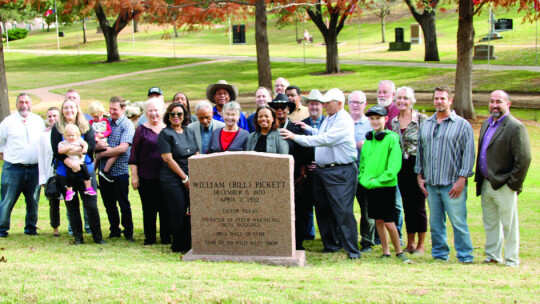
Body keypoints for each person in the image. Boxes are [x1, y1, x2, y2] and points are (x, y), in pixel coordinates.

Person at [280, 88, 361, 259]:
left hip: (340, 171)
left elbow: (325, 139)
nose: (324, 106)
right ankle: (330, 245)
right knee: (322, 210)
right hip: (323, 171)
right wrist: (308, 128)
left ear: (339, 103)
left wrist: (296, 137)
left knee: (342, 211)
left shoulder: (344, 120)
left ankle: (352, 250)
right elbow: (322, 134)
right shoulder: (330, 118)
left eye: (327, 103)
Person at [415, 85, 475, 263]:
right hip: (432, 183)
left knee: (458, 221)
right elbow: (421, 151)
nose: (439, 101)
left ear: (450, 100)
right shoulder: (426, 124)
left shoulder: (462, 125)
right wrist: (419, 175)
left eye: (443, 98)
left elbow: (469, 153)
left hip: (452, 183)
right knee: (435, 223)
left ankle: (465, 255)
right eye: (436, 98)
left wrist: (462, 179)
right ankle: (440, 253)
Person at [475, 90, 532, 267]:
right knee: (490, 222)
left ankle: (511, 258)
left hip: (504, 184)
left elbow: (524, 158)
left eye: (498, 101)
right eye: (491, 101)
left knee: (509, 224)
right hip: (486, 182)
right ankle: (492, 255)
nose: (494, 105)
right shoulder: (486, 124)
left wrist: (512, 184)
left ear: (508, 104)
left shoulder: (515, 127)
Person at [359, 105, 410, 263]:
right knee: (377, 220)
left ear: (385, 119)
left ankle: (399, 251)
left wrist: (379, 180)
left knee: (389, 221)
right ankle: (385, 251)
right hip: (370, 187)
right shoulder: (368, 141)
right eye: (372, 119)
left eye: (378, 118)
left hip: (386, 186)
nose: (374, 121)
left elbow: (394, 166)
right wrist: (364, 179)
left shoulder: (391, 138)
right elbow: (363, 165)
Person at [51, 99, 105, 245]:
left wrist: (74, 154)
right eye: (66, 108)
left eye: (72, 107)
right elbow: (56, 151)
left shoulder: (86, 126)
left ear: (77, 109)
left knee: (91, 206)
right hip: (65, 173)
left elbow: (91, 146)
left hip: (85, 171)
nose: (69, 110)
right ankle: (78, 238)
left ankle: (98, 237)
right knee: (72, 207)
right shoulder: (57, 128)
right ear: (62, 110)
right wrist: (70, 163)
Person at [0, 93, 45, 237]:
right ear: (16, 104)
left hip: (34, 168)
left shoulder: (38, 121)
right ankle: (2, 229)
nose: (24, 105)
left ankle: (31, 228)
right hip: (13, 169)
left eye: (27, 102)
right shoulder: (8, 122)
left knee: (33, 200)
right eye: (21, 102)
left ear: (31, 104)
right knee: (7, 200)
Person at [129, 97, 171, 246]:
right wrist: (134, 176)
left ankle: (166, 238)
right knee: (149, 209)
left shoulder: (169, 128)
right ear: (146, 113)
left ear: (162, 111)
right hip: (146, 177)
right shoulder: (141, 130)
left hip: (167, 177)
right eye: (150, 111)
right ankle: (150, 238)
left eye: (156, 110)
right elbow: (133, 155)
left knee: (165, 208)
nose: (154, 114)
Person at [390, 87, 428, 255]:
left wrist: (423, 171)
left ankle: (421, 244)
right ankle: (410, 242)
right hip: (401, 166)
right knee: (407, 206)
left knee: (419, 206)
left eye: (405, 98)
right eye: (399, 98)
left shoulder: (422, 119)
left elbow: (427, 145)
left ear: (412, 100)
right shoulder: (394, 122)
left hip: (417, 164)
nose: (402, 101)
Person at [269, 93, 310, 250]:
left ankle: (297, 243)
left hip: (294, 177)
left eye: (283, 107)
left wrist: (301, 175)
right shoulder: (269, 129)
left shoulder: (296, 129)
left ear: (289, 109)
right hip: (273, 178)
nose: (280, 110)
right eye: (276, 107)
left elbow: (305, 154)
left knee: (297, 212)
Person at [158, 103, 199, 252]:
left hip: (190, 176)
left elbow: (196, 153)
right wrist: (184, 178)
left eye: (179, 114)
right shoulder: (165, 134)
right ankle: (179, 245)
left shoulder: (189, 131)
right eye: (172, 114)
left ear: (184, 116)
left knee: (193, 210)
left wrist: (195, 176)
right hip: (173, 179)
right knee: (179, 210)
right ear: (168, 116)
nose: (176, 117)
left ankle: (191, 242)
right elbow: (168, 159)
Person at [96, 96, 136, 242]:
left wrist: (102, 154)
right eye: (110, 109)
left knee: (123, 203)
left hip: (119, 171)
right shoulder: (106, 123)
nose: (111, 112)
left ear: (123, 109)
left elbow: (123, 148)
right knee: (109, 204)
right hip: (103, 171)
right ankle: (114, 229)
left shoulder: (127, 124)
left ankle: (128, 231)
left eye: (115, 109)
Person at [376, 80, 403, 243]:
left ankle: (397, 236)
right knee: (379, 205)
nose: (381, 95)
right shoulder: (374, 112)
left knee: (396, 203)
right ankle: (380, 238)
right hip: (378, 167)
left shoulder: (396, 113)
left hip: (393, 167)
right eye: (379, 92)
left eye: (385, 92)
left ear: (393, 95)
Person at [348, 90, 375, 253]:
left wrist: (368, 143)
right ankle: (347, 239)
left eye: (359, 102)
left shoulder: (371, 123)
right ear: (348, 104)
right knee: (345, 208)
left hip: (366, 171)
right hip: (346, 171)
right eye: (352, 102)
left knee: (367, 209)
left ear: (365, 104)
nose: (355, 105)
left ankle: (367, 241)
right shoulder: (343, 122)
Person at [301, 89, 326, 241]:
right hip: (308, 169)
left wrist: (320, 160)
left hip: (325, 168)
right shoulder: (302, 125)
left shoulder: (328, 123)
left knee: (324, 206)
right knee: (306, 205)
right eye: (311, 104)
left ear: (322, 106)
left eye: (317, 104)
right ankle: (309, 234)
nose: (314, 107)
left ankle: (326, 235)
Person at [57, 124, 98, 201]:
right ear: (65, 135)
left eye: (73, 135)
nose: (71, 137)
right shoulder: (63, 143)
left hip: (81, 161)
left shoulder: (79, 140)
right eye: (68, 135)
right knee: (69, 177)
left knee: (86, 174)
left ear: (77, 135)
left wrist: (84, 148)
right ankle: (69, 191)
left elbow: (85, 144)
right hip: (70, 164)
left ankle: (88, 187)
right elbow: (60, 151)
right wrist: (68, 147)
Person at [38, 107, 62, 237]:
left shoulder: (66, 132)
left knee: (70, 199)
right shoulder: (43, 136)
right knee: (53, 202)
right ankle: (55, 227)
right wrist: (42, 178)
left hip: (64, 171)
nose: (52, 119)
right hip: (50, 172)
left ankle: (73, 226)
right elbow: (41, 157)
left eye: (55, 116)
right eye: (49, 117)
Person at [88, 101, 116, 182]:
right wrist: (96, 137)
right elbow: (90, 134)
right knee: (96, 159)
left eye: (100, 115)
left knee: (114, 154)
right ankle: (92, 175)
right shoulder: (90, 123)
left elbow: (109, 130)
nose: (99, 118)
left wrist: (103, 135)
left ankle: (105, 171)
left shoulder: (105, 121)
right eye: (96, 117)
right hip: (96, 144)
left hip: (104, 142)